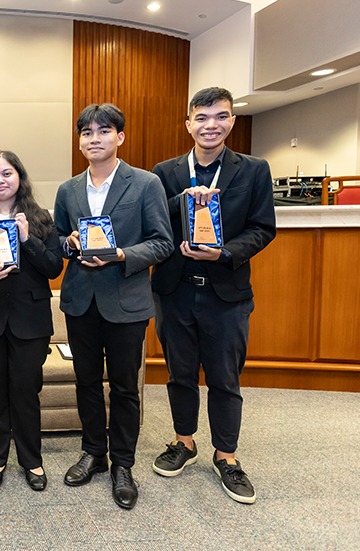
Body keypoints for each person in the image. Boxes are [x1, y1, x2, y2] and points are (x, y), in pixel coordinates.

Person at [150, 87, 276, 504]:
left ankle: (227, 456)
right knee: (180, 373)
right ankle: (184, 442)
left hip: (227, 294)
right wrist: (178, 201)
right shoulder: (165, 172)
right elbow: (151, 225)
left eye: (220, 117)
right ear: (188, 124)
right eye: (201, 118)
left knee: (225, 378)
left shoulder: (254, 170)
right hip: (174, 291)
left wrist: (225, 252)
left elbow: (262, 228)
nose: (210, 125)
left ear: (232, 122)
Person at [54, 104, 174, 509]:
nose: (94, 139)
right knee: (86, 382)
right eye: (86, 132)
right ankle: (94, 453)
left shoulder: (145, 183)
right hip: (80, 301)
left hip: (127, 302)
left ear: (120, 137)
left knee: (124, 388)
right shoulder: (68, 190)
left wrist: (121, 254)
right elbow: (56, 241)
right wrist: (68, 244)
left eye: (103, 131)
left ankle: (123, 463)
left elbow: (162, 242)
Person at [0, 151, 62, 491]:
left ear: (19, 176)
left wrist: (27, 239)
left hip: (29, 322)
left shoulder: (41, 219)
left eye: (6, 173)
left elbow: (53, 267)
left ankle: (32, 460)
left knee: (26, 392)